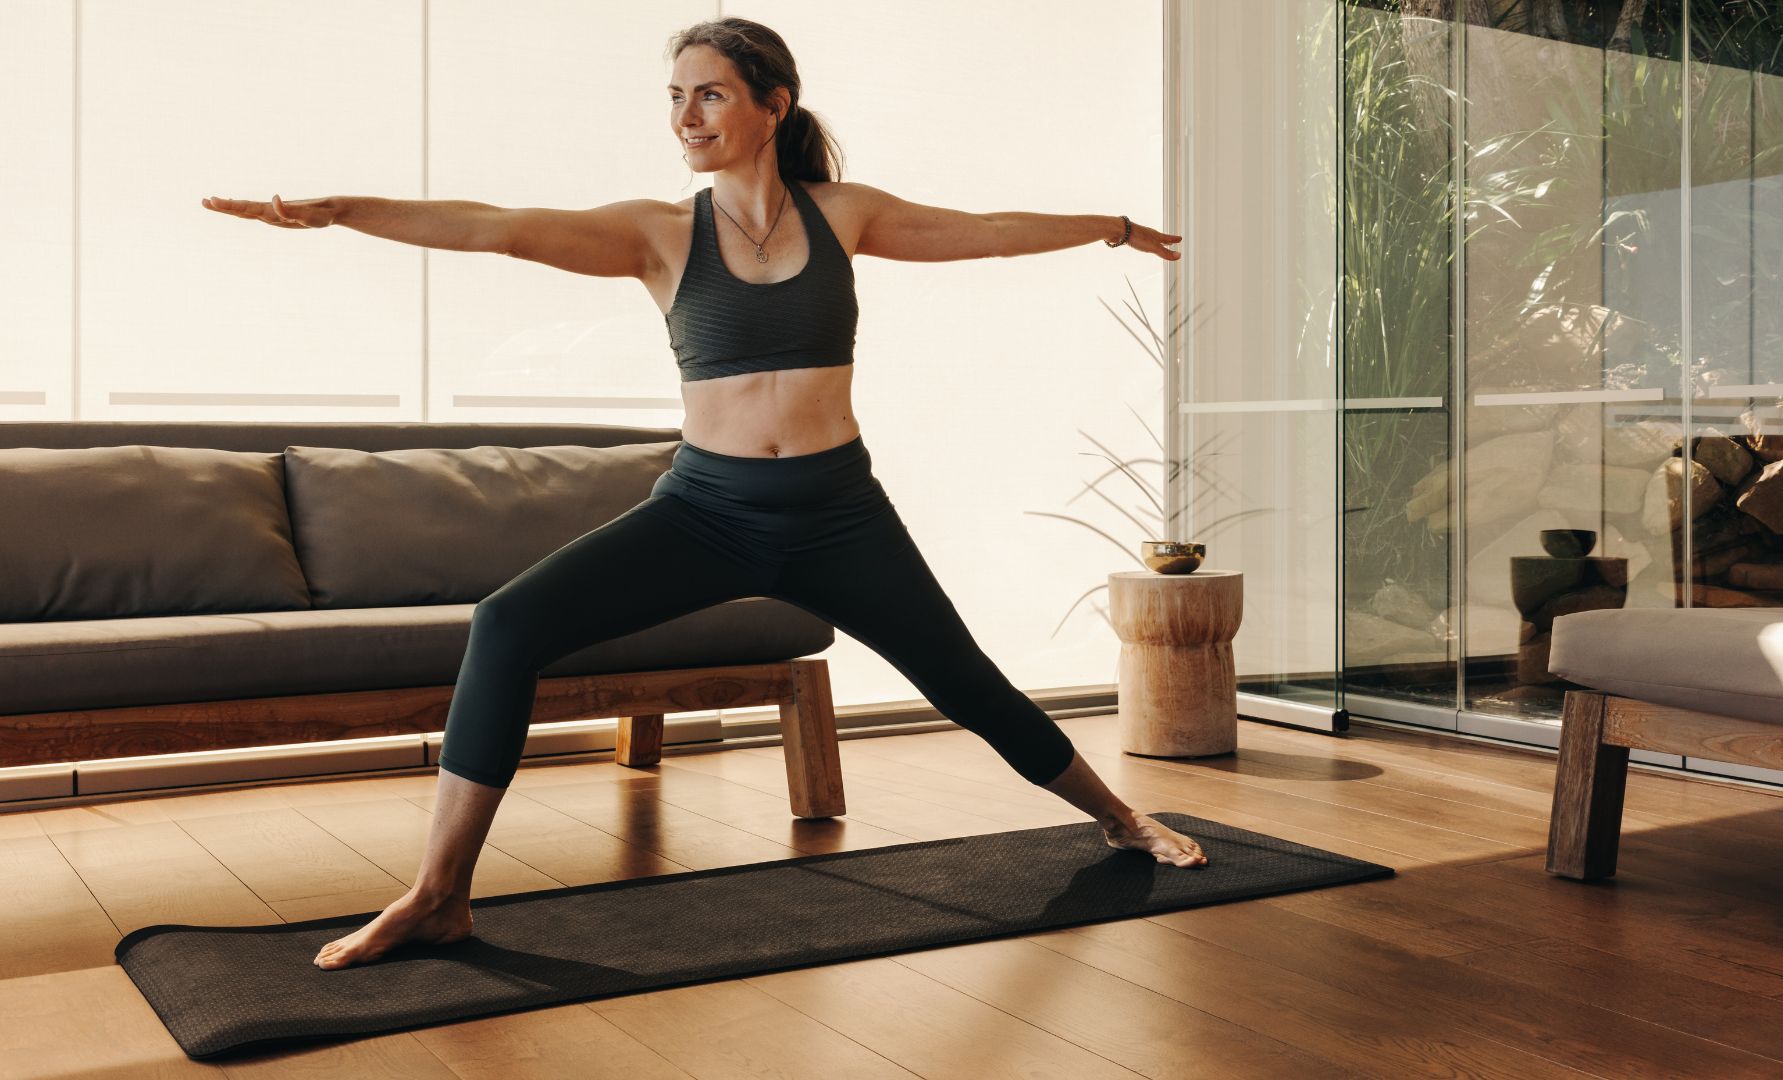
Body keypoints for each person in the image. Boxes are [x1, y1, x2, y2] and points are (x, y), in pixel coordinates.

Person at [204, 16, 1199, 972]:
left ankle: (1120, 816)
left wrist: (1110, 228)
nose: (686, 117)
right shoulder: (656, 234)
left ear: (774, 103)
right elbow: (496, 228)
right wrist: (341, 212)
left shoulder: (842, 215)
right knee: (507, 623)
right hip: (706, 512)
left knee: (963, 679)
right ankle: (437, 894)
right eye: (675, 98)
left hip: (837, 513)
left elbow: (980, 232)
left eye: (710, 95)